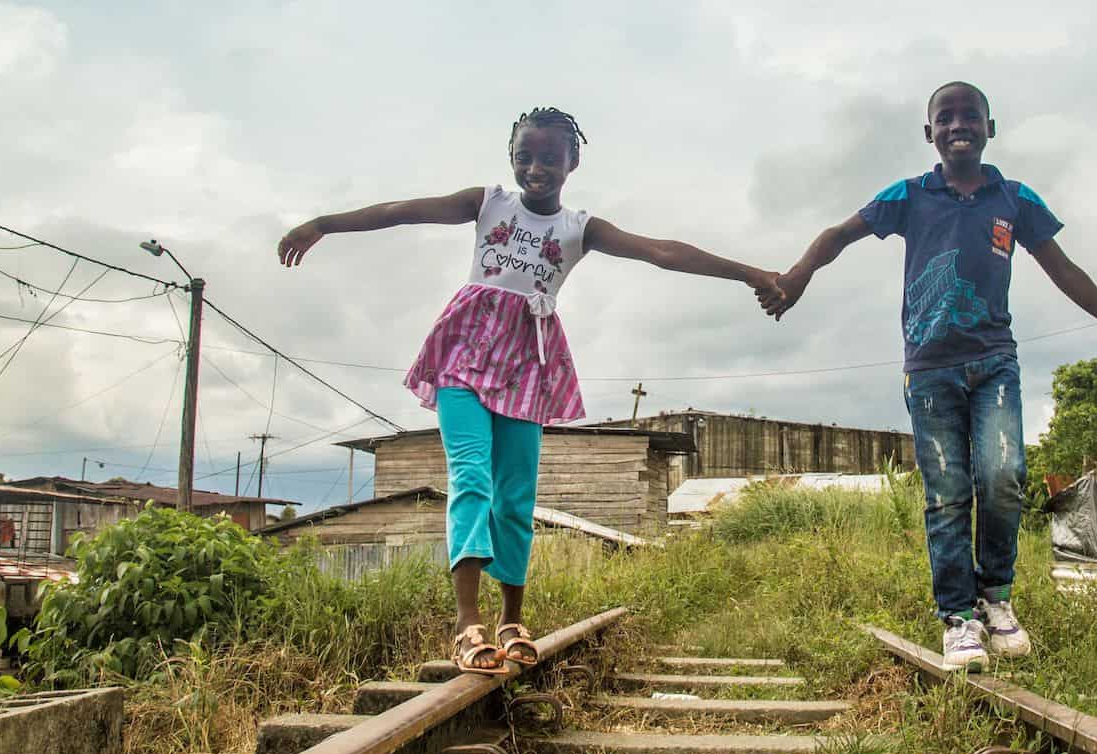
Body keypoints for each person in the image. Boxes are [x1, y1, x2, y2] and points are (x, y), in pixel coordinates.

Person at [278, 107, 780, 674]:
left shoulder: (579, 229)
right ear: (512, 158)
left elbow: (662, 251)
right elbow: (401, 211)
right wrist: (323, 222)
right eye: (525, 157)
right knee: (472, 476)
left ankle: (511, 618)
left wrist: (751, 274)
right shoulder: (486, 203)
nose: (535, 169)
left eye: (548, 158)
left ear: (572, 162)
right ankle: (467, 624)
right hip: (463, 354)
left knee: (515, 494)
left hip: (526, 363)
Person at [760, 82, 1097, 671]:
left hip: (995, 360)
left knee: (1002, 476)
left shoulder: (1014, 199)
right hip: (929, 370)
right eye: (944, 118)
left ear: (990, 128)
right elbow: (838, 235)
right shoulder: (910, 195)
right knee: (947, 494)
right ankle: (958, 618)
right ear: (930, 134)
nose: (957, 125)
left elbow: (1064, 269)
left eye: (969, 116)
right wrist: (797, 276)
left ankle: (995, 599)